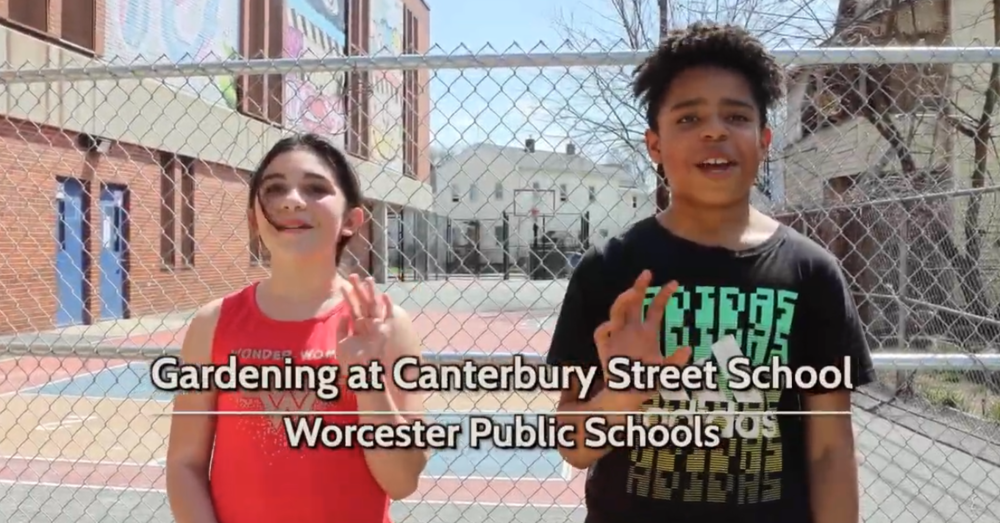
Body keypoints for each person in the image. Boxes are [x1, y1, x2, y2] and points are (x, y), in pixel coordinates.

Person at [547, 23, 875, 523]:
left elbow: (830, 449)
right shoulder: (609, 269)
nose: (714, 131)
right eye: (689, 117)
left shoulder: (812, 273)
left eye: (736, 116)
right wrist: (625, 392)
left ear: (764, 141)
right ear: (654, 145)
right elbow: (573, 446)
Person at [165, 133, 428, 523]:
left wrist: (368, 381)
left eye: (315, 188)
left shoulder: (386, 325)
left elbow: (402, 481)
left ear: (351, 221)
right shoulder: (212, 324)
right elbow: (184, 464)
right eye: (274, 189)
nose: (291, 200)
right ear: (254, 218)